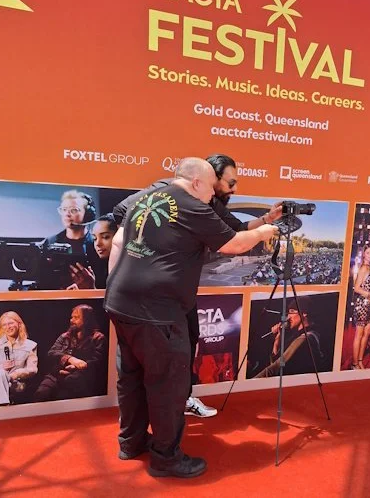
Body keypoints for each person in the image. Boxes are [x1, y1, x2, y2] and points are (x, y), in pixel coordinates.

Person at [104, 157, 277, 479]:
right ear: (197, 182)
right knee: (168, 385)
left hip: (121, 302)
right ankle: (166, 459)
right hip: (157, 311)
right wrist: (265, 231)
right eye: (211, 187)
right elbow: (234, 244)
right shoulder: (191, 205)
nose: (212, 195)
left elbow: (119, 234)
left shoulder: (145, 197)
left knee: (131, 377)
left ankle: (131, 442)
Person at [34, 304, 107, 401]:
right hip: (57, 374)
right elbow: (51, 353)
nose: (72, 320)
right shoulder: (65, 336)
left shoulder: (98, 338)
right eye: (72, 317)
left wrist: (75, 367)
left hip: (81, 377)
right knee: (41, 394)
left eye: (76, 317)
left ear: (87, 319)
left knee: (65, 393)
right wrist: (70, 359)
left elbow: (97, 362)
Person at [42, 190, 101, 289]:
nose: (67, 214)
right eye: (64, 209)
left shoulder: (97, 244)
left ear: (87, 214)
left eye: (74, 210)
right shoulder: (50, 243)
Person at [254, 297, 322, 378]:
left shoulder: (305, 338)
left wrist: (252, 382)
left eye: (292, 312)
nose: (288, 317)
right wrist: (277, 342)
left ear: (304, 313)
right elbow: (276, 365)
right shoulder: (299, 337)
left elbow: (276, 367)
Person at [0, 312, 38, 406]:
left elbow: (32, 369)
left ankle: (2, 405)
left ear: (19, 324)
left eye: (10, 323)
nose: (8, 327)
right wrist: (1, 373)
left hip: (16, 382)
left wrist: (15, 375)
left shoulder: (30, 345)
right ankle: (3, 404)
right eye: (4, 325)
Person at [68, 214, 118, 289]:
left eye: (105, 237)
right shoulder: (99, 267)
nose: (98, 244)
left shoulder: (129, 269)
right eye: (94, 238)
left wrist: (91, 289)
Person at [351, 245, 370, 369]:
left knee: (367, 333)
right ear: (363, 254)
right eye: (368, 252)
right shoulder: (363, 268)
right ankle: (354, 364)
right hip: (362, 304)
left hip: (368, 305)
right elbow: (356, 288)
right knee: (359, 334)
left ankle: (360, 360)